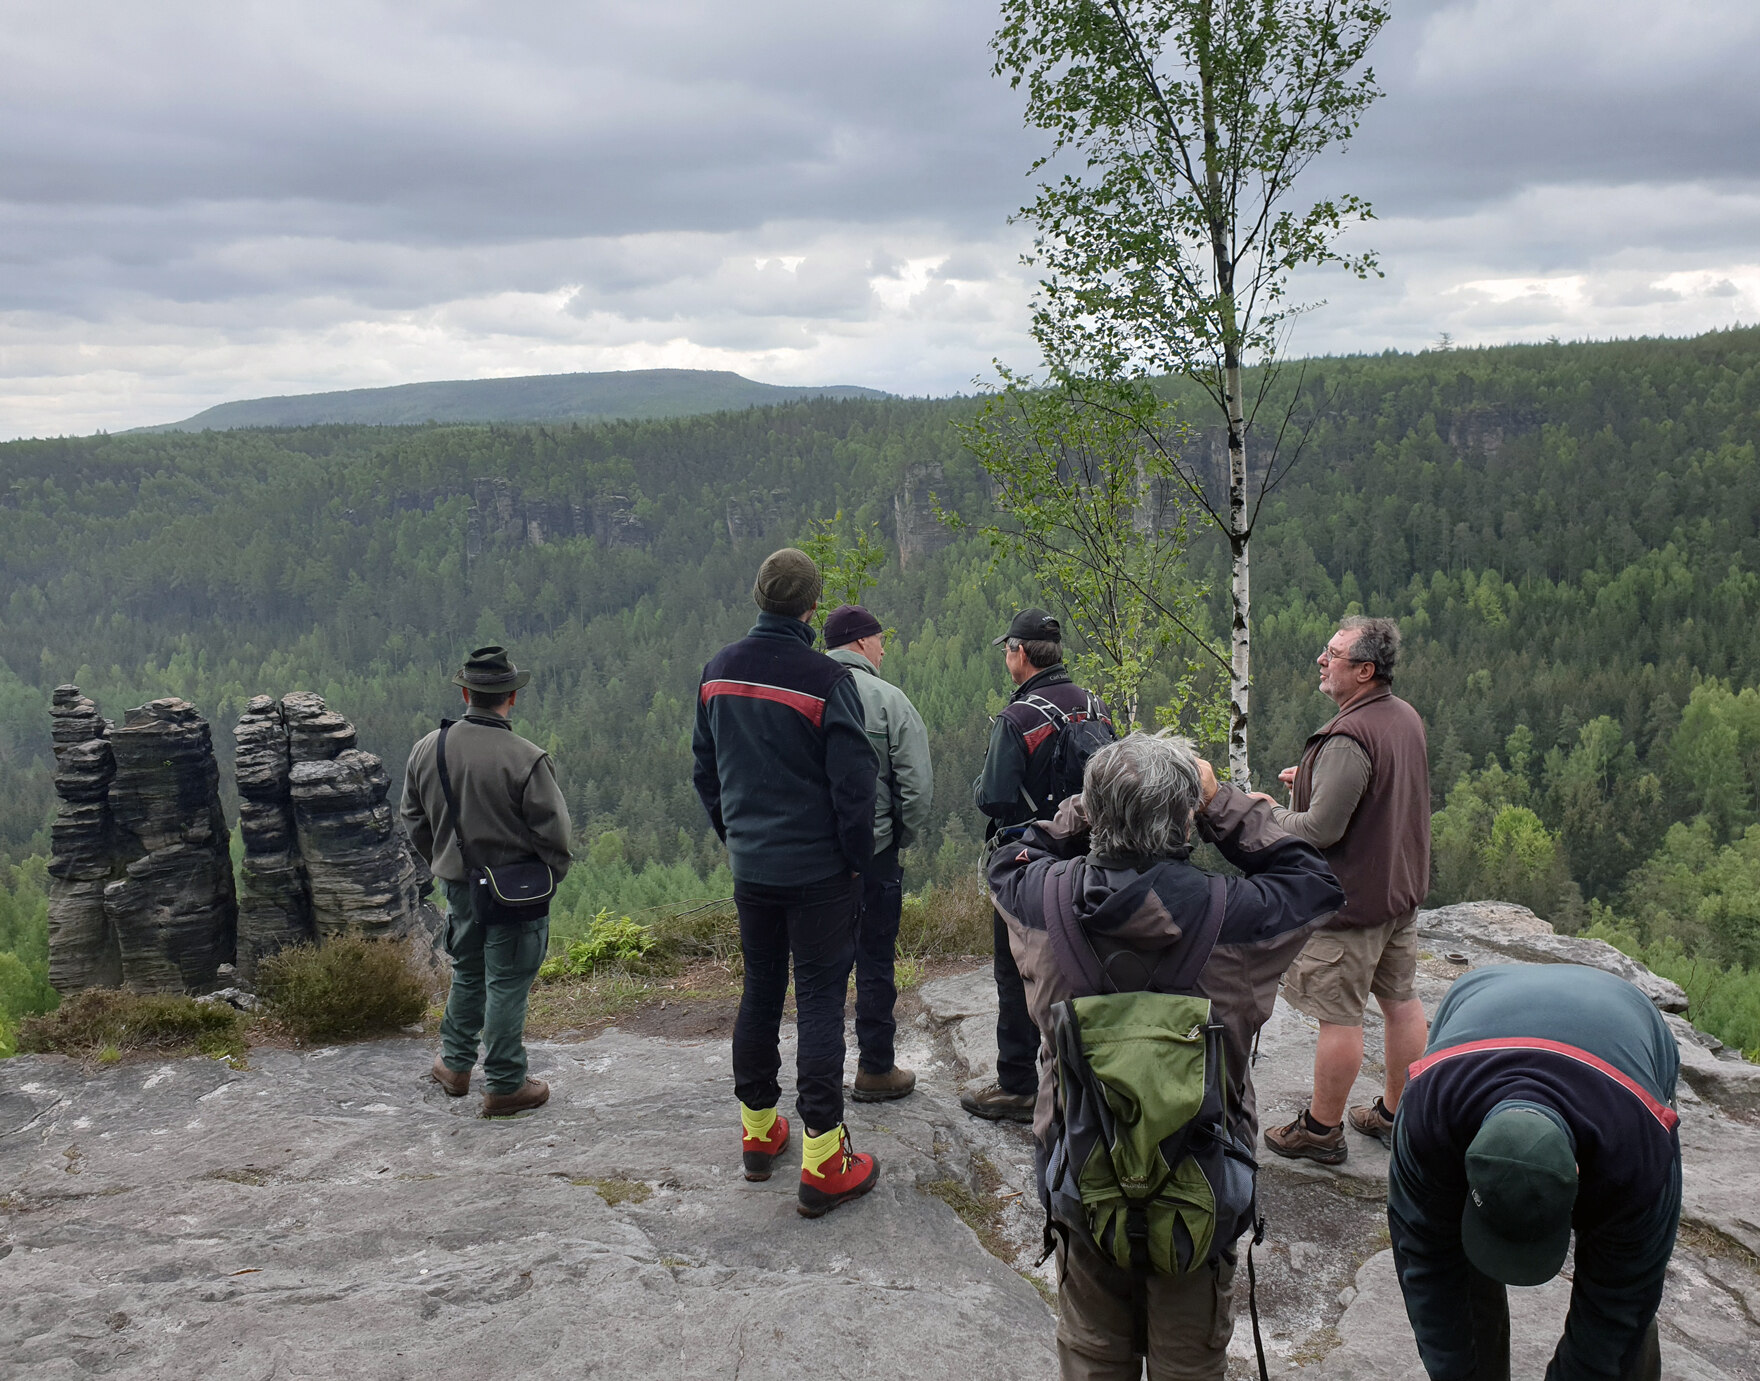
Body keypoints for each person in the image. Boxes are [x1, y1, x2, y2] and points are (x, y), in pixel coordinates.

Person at [989, 731, 1344, 1380]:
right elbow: (1312, 877)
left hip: (1080, 1168)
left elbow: (1011, 853)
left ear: (1097, 814)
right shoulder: (1239, 915)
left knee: (1093, 1352)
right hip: (1201, 1181)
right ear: (1185, 818)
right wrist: (1220, 800)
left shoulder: (1039, 899)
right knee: (1190, 1361)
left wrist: (1085, 805)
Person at [692, 549, 881, 1218]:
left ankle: (758, 1132)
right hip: (821, 874)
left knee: (761, 993)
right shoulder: (827, 679)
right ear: (812, 607)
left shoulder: (717, 672)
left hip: (754, 870)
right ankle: (824, 1159)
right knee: (823, 1003)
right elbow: (855, 788)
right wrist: (856, 860)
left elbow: (706, 772)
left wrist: (738, 836)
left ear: (759, 597)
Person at [1388, 963, 1682, 1381]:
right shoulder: (1429, 1114)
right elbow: (1426, 1261)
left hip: (1627, 1023)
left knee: (1622, 1325)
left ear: (1581, 1175)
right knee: (1456, 1268)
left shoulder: (1640, 1149)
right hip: (1481, 996)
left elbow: (1620, 1301)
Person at [1261, 615, 1432, 1165]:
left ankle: (1321, 1130)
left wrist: (1267, 813)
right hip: (1397, 894)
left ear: (1364, 670)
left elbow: (1319, 831)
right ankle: (1397, 1113)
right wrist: (1310, 778)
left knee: (1340, 1017)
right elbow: (1379, 795)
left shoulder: (1349, 735)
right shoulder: (1401, 717)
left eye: (1332, 653)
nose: (1321, 659)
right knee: (1401, 1004)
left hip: (1352, 903)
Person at [402, 645, 573, 1117]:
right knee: (508, 981)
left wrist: (445, 861)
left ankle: (454, 1065)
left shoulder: (426, 748)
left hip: (458, 886)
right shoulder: (527, 759)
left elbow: (412, 818)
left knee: (469, 970)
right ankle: (503, 1084)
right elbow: (555, 838)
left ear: (465, 693)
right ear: (511, 697)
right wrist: (545, 882)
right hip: (515, 892)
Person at [965, 608, 1115, 1123]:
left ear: (1020, 654)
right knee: (1088, 963)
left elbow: (995, 798)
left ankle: (1018, 1084)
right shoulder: (1096, 705)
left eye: (1008, 649)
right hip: (1093, 858)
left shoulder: (1018, 718)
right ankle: (1090, 1072)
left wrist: (978, 788)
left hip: (1029, 862)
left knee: (1016, 970)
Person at [823, 603, 933, 1104]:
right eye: (881, 640)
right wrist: (898, 839)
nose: (885, 650)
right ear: (863, 644)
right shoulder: (890, 701)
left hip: (816, 860)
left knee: (819, 966)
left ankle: (820, 1073)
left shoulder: (808, 695)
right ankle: (875, 1067)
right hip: (875, 854)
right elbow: (916, 788)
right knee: (874, 960)